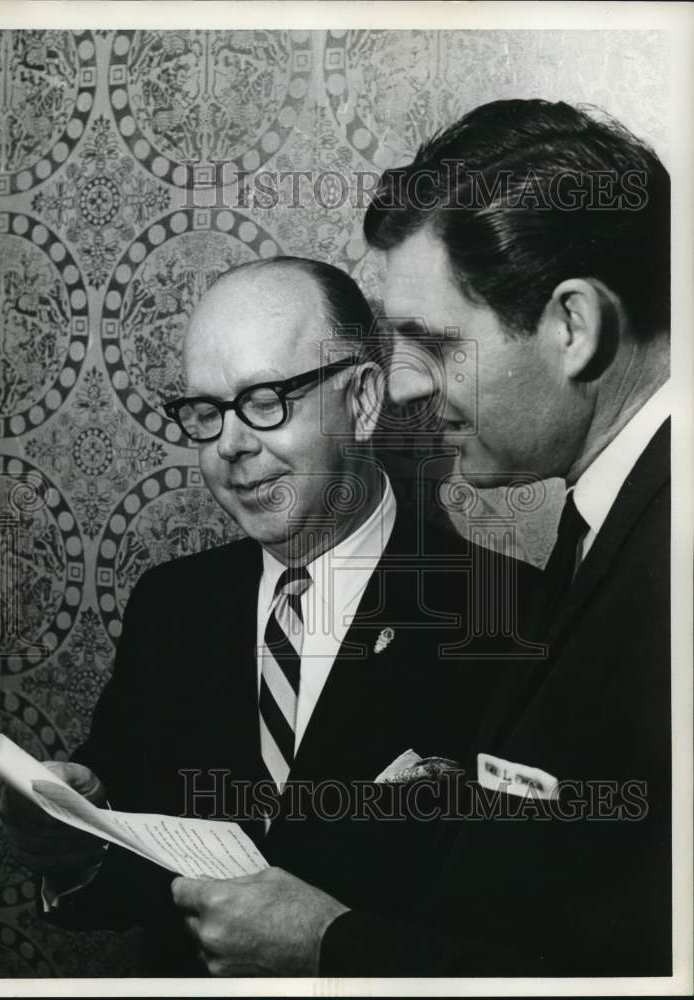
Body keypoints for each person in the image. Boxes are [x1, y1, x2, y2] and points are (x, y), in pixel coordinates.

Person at [171, 99, 672, 977]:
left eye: (437, 344)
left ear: (572, 326)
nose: (402, 388)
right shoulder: (605, 526)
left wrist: (331, 943)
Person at [2, 256, 538, 975]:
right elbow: (129, 888)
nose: (230, 445)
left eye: (264, 400)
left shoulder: (511, 618)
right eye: (206, 411)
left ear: (363, 400)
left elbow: (534, 944)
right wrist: (73, 846)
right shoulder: (173, 605)